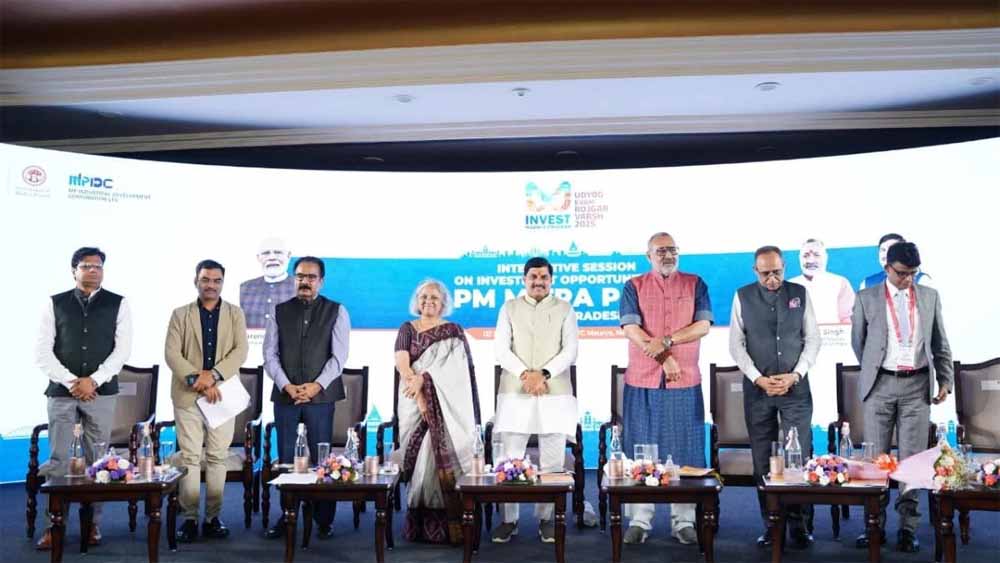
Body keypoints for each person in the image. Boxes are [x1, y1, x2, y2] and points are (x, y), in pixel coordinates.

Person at [851, 241, 952, 553]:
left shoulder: (929, 296)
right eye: (901, 273)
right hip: (880, 385)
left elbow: (940, 342)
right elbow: (859, 343)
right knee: (877, 460)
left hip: (916, 386)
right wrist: (877, 369)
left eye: (913, 273)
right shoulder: (866, 298)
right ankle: (874, 525)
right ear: (887, 268)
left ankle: (908, 528)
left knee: (911, 462)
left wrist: (945, 379)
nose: (907, 279)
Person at [33, 247, 132, 550]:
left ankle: (93, 526)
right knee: (59, 460)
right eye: (87, 266)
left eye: (98, 266)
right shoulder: (54, 303)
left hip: (101, 393)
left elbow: (122, 351)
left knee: (98, 462)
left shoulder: (119, 303)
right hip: (62, 393)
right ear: (73, 270)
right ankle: (54, 526)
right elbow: (42, 351)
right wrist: (72, 382)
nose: (93, 270)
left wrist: (94, 381)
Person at [619, 232, 712, 546]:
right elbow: (632, 329)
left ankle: (683, 521)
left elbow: (703, 325)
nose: (667, 255)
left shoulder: (695, 283)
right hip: (642, 378)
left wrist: (668, 343)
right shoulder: (633, 286)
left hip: (684, 379)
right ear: (648, 256)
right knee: (641, 448)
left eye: (672, 250)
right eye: (660, 251)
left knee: (685, 449)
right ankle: (640, 520)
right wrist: (664, 357)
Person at [730, 246, 821, 548]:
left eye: (777, 272)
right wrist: (758, 378)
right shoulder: (742, 296)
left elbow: (813, 339)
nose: (772, 278)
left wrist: (796, 374)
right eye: (765, 273)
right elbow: (736, 345)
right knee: (762, 459)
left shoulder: (800, 293)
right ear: (755, 271)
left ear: (785, 267)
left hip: (796, 389)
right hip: (759, 390)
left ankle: (800, 525)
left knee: (799, 457)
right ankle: (771, 524)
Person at [491, 257, 578, 544]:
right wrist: (525, 375)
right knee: (510, 458)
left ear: (551, 280)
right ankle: (509, 520)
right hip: (516, 391)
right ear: (524, 279)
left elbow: (570, 351)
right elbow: (501, 349)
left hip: (554, 391)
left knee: (552, 459)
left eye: (544, 277)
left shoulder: (565, 309)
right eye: (533, 277)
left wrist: (543, 374)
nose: (538, 282)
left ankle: (547, 519)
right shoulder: (509, 308)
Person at [263, 256, 350, 539]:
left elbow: (339, 358)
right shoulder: (278, 310)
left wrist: (316, 386)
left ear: (321, 281)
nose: (305, 282)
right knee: (287, 458)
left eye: (311, 277)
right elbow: (269, 355)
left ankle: (324, 519)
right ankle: (287, 514)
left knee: (322, 459)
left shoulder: (336, 311)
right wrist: (287, 385)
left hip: (321, 397)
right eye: (300, 276)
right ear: (294, 279)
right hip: (286, 396)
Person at [165, 259, 249, 543]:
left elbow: (240, 352)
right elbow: (172, 354)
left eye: (216, 280)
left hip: (221, 394)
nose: (210, 285)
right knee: (189, 457)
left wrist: (212, 377)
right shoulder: (180, 314)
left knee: (216, 457)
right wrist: (196, 379)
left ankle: (213, 518)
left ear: (222, 283)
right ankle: (189, 519)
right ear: (196, 281)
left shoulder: (235, 314)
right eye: (205, 280)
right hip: (188, 395)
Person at [395, 279, 481, 544]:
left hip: (447, 406)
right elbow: (402, 362)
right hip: (412, 400)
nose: (428, 301)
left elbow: (458, 374)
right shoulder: (407, 328)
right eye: (423, 297)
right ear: (416, 301)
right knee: (420, 459)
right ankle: (419, 525)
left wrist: (425, 381)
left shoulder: (453, 332)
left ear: (443, 302)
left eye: (434, 297)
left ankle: (454, 524)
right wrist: (420, 394)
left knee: (436, 456)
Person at [788, 238, 855, 324]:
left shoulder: (840, 282)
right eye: (806, 255)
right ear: (799, 258)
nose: (811, 260)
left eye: (816, 255)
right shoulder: (789, 286)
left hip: (833, 332)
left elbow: (848, 319)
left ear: (825, 257)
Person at [240, 237, 296, 329]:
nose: (272, 257)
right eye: (266, 253)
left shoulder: (301, 288)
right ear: (258, 258)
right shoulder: (244, 288)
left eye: (278, 252)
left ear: (289, 255)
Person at [859, 233, 931, 290]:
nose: (886, 254)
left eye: (892, 249)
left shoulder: (922, 280)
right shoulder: (867, 283)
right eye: (883, 250)